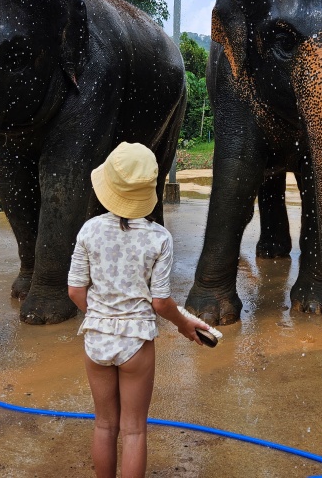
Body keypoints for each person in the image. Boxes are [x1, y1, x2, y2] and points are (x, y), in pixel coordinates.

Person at [67, 142, 210, 478]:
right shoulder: (158, 238)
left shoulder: (89, 230)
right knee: (133, 431)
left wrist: (101, 316)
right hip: (136, 343)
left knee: (104, 426)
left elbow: (75, 290)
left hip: (96, 339)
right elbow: (160, 303)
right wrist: (184, 323)